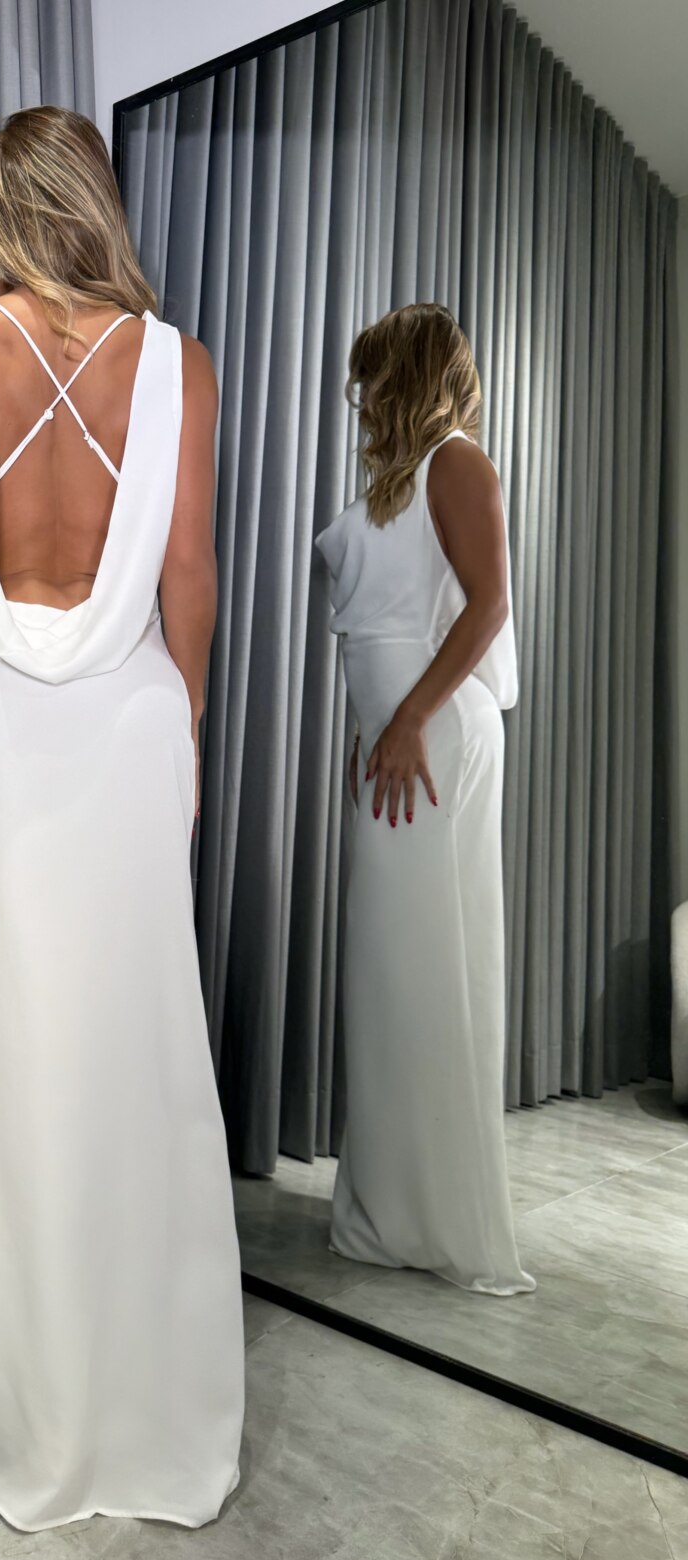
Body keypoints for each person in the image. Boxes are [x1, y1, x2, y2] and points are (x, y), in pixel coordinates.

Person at [0, 105, 245, 1532]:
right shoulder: (181, 365)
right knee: (134, 1047)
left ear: (5, 209)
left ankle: (17, 1398)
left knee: (4, 1050)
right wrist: (188, 718)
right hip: (128, 723)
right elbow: (190, 573)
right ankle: (141, 1396)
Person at [314, 303, 536, 1297]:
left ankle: (437, 1215)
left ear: (407, 376)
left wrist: (403, 720)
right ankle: (390, 1207)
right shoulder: (406, 480)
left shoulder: (457, 463)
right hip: (400, 743)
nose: (360, 397)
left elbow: (489, 605)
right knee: (391, 973)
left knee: (428, 967)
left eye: (372, 376)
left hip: (434, 741)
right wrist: (377, 728)